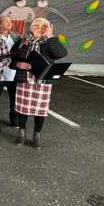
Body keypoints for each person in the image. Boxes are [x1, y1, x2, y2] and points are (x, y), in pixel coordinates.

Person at [11, 17, 67, 147]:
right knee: (23, 107)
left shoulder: (49, 42)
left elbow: (61, 54)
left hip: (43, 80)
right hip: (25, 78)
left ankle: (37, 134)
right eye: (36, 25)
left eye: (43, 26)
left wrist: (51, 36)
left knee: (41, 108)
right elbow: (12, 58)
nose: (39, 28)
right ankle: (21, 132)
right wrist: (18, 64)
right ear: (31, 27)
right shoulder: (23, 41)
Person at [0, 15, 19, 130]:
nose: (9, 23)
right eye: (6, 21)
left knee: (15, 97)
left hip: (13, 71)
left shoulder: (16, 37)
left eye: (10, 21)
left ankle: (14, 118)